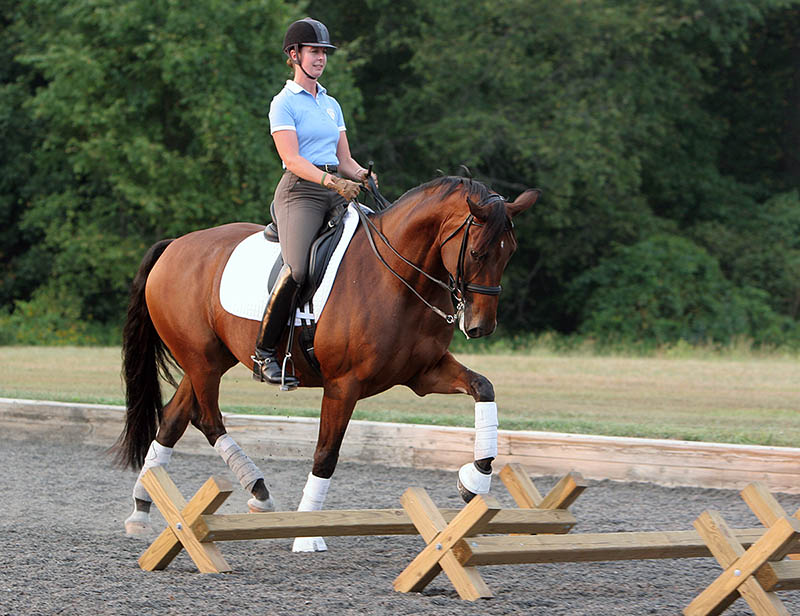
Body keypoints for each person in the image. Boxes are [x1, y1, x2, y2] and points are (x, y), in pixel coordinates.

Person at [252, 17, 376, 387]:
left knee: (373, 246)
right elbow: (292, 160)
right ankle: (263, 353)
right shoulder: (283, 103)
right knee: (299, 269)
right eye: (314, 52)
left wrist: (362, 176)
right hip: (300, 192)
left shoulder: (331, 104)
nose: (321, 58)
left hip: (336, 187)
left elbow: (344, 159)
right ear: (294, 55)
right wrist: (332, 182)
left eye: (324, 52)